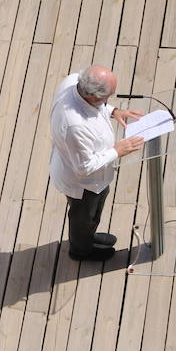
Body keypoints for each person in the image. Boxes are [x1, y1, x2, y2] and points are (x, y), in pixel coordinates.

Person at [49, 65, 145, 261]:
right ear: (94, 97)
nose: (109, 100)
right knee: (83, 217)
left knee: (92, 214)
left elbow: (97, 106)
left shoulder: (75, 82)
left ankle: (89, 236)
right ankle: (81, 250)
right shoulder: (75, 126)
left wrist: (113, 111)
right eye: (108, 97)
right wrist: (116, 151)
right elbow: (84, 168)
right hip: (83, 185)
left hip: (95, 179)